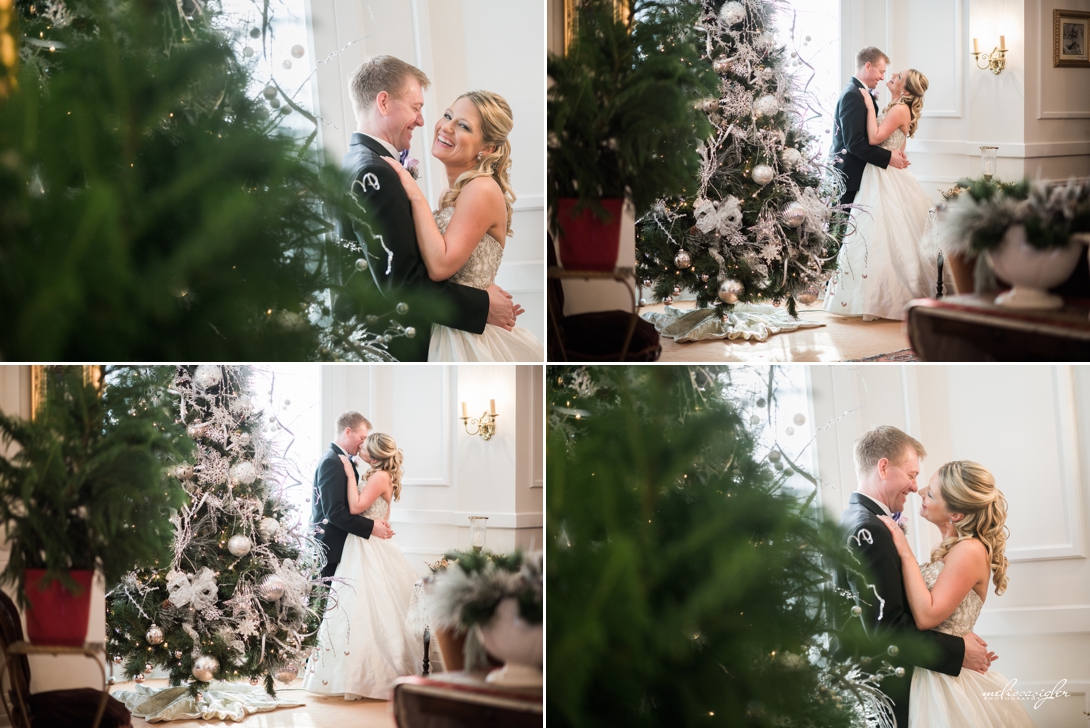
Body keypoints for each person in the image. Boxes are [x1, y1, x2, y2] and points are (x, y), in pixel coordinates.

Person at [335, 55, 521, 362]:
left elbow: (430, 266)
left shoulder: (357, 163)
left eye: (462, 125)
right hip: (410, 339)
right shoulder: (379, 172)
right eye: (418, 108)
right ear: (383, 103)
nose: (429, 122)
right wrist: (482, 304)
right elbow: (404, 283)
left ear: (487, 148)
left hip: (455, 338)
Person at [834, 426, 996, 728]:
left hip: (925, 684)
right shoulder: (872, 530)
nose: (916, 488)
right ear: (884, 467)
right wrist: (959, 650)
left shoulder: (855, 519)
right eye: (911, 475)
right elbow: (886, 628)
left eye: (926, 487)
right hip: (892, 684)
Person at [381, 90, 544, 361]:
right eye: (448, 115)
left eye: (463, 126)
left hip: (465, 339)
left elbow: (441, 265)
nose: (446, 127)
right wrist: (481, 291)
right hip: (446, 324)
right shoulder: (453, 193)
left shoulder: (481, 189)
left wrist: (413, 193)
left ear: (487, 148)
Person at [876, 461, 1035, 727]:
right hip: (931, 668)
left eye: (931, 493)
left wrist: (904, 551)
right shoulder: (947, 548)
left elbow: (926, 616)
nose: (920, 491)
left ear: (957, 514)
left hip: (948, 684)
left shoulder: (969, 550)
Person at [303, 431, 425, 700]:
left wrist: (348, 474)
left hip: (367, 547)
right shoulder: (375, 475)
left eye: (366, 446)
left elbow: (356, 507)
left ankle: (370, 676)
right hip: (360, 543)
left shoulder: (379, 476)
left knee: (367, 608)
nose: (361, 448)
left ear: (377, 454)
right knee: (357, 609)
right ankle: (350, 674)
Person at [825, 62, 941, 321]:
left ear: (907, 92)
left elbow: (875, 138)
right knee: (877, 234)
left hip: (884, 176)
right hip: (878, 173)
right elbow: (890, 142)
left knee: (884, 233)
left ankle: (887, 298)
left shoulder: (899, 108)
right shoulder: (893, 106)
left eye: (898, 76)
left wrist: (868, 107)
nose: (890, 76)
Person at [311, 412, 393, 582]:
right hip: (332, 548)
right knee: (327, 605)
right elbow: (334, 512)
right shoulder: (332, 461)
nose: (364, 443)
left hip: (347, 548)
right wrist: (371, 526)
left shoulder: (340, 459)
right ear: (348, 432)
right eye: (362, 437)